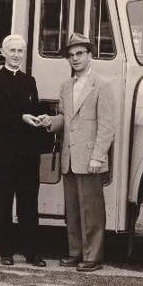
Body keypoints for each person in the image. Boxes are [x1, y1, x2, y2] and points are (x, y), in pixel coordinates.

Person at [42, 33, 116, 272]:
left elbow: (107, 125)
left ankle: (92, 256)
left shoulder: (102, 85)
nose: (75, 59)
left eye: (80, 54)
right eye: (71, 55)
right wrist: (50, 121)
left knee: (91, 210)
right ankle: (75, 253)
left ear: (90, 55)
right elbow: (65, 118)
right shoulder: (66, 86)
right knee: (72, 209)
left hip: (90, 159)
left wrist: (98, 156)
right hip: (70, 158)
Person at [0, 34, 47, 267]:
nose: (17, 55)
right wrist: (21, 118)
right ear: (2, 52)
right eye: (12, 50)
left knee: (29, 204)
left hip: (27, 155)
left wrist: (41, 117)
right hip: (2, 154)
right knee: (4, 202)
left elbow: (34, 109)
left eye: (20, 51)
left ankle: (33, 252)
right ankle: (6, 251)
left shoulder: (30, 82)